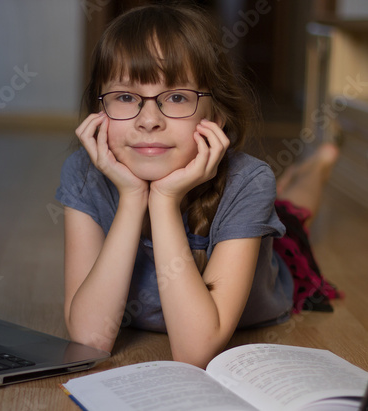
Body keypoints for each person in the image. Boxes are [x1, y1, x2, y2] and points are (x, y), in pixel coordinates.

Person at [55, 4, 341, 368]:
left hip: (272, 245)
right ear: (99, 111)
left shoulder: (248, 182)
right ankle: (299, 179)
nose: (148, 120)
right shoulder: (83, 172)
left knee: (294, 217)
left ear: (215, 116)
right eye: (126, 97)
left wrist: (163, 200)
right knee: (285, 207)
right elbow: (90, 338)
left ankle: (316, 167)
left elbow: (194, 351)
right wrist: (132, 198)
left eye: (176, 97)